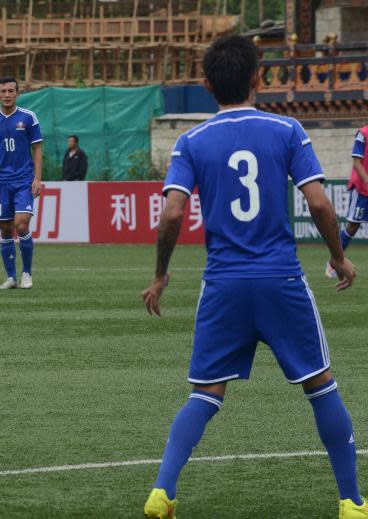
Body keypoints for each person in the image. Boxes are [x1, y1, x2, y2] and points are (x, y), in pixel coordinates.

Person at [140, 36, 366, 519]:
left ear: (205, 84)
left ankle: (163, 491)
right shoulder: (286, 129)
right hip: (281, 280)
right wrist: (339, 258)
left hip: (223, 284)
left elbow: (173, 212)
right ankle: (352, 503)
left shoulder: (191, 141)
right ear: (258, 78)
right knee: (320, 385)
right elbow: (320, 202)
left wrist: (161, 275)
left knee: (205, 392)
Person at [0, 77, 43, 290]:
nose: (7, 94)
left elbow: (38, 149)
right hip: (1, 183)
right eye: (3, 91)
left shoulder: (29, 117)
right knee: (5, 230)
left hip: (24, 180)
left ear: (17, 93)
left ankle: (27, 273)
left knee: (21, 224)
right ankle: (11, 277)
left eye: (11, 91)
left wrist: (37, 178)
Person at [325, 123, 368, 278]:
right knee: (352, 227)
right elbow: (357, 162)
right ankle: (333, 263)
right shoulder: (363, 134)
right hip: (362, 190)